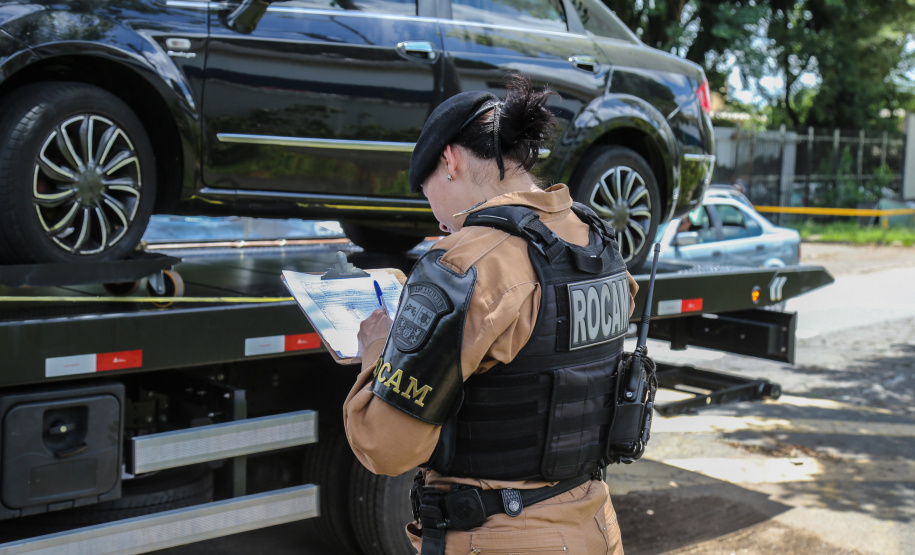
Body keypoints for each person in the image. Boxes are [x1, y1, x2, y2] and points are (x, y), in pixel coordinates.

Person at [343, 75, 638, 555]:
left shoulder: (462, 262)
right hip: (595, 525)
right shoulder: (597, 241)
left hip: (499, 536)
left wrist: (379, 352)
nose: (437, 218)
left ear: (450, 160)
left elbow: (387, 447)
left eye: (428, 191)